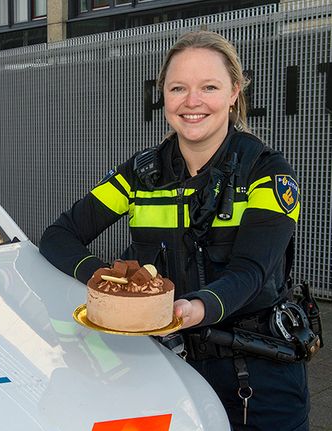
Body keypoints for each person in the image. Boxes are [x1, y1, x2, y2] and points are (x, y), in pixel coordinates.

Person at [39, 31, 310, 430]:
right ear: (163, 96)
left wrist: (190, 309)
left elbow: (250, 273)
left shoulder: (267, 173)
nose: (192, 101)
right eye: (178, 88)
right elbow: (58, 236)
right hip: (162, 370)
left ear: (234, 92)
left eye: (209, 87)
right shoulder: (140, 174)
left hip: (255, 377)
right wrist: (113, 283)